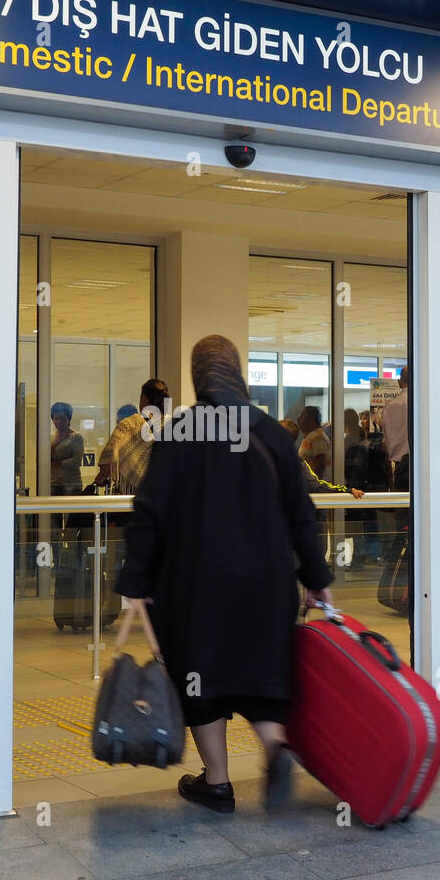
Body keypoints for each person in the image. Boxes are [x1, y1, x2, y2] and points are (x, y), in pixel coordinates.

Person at [119, 336, 333, 815]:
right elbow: (303, 514)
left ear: (199, 377)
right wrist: (317, 577)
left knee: (200, 676)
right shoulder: (273, 434)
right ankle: (275, 745)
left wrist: (136, 581)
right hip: (268, 582)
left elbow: (149, 512)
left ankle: (217, 783)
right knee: (261, 671)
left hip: (197, 585)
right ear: (237, 373)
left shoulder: (179, 433)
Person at [94, 379, 169, 496]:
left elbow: (107, 465)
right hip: (162, 498)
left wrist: (100, 479)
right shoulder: (174, 426)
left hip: (129, 499)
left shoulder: (130, 425)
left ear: (143, 398)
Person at [383, 366, 411, 490]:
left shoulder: (389, 407)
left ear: (400, 383)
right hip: (419, 464)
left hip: (399, 468)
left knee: (403, 505)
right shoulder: (421, 405)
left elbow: (387, 439)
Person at [48, 401, 84, 496]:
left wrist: (58, 463)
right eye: (56, 419)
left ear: (69, 419)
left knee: (70, 510)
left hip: (71, 483)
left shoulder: (76, 437)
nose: (59, 422)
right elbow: (43, 459)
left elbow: (76, 461)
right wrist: (54, 443)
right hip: (53, 483)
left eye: (63, 419)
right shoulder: (50, 437)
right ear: (52, 419)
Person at [297, 405, 331, 480]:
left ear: (311, 419)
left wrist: (314, 484)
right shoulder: (313, 435)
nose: (298, 419)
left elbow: (320, 465)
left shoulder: (317, 437)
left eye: (302, 416)